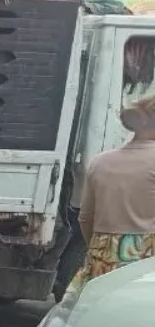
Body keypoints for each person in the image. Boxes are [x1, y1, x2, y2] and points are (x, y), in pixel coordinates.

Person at [64, 92, 155, 294]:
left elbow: (85, 219)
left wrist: (103, 249)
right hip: (146, 261)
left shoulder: (100, 162)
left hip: (102, 258)